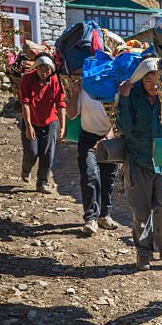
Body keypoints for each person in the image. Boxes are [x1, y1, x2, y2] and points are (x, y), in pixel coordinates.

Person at [116, 60, 162, 271]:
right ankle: (143, 252)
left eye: (157, 79)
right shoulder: (131, 98)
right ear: (140, 81)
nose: (153, 85)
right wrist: (123, 98)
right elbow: (124, 127)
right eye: (148, 80)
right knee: (141, 211)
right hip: (138, 160)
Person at [65, 75, 120, 236]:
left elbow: (119, 119)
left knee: (108, 177)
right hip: (88, 137)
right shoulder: (85, 89)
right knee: (90, 174)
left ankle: (104, 215)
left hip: (109, 137)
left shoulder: (116, 90)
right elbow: (71, 114)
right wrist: (76, 92)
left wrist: (107, 138)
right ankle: (91, 218)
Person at [19, 52, 66, 193]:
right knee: (32, 152)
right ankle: (26, 169)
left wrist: (62, 127)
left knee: (47, 153)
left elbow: (60, 103)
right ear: (36, 68)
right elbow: (25, 103)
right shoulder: (26, 79)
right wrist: (28, 126)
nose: (45, 72)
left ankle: (42, 183)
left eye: (48, 69)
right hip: (31, 120)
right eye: (42, 68)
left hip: (50, 121)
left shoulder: (55, 81)